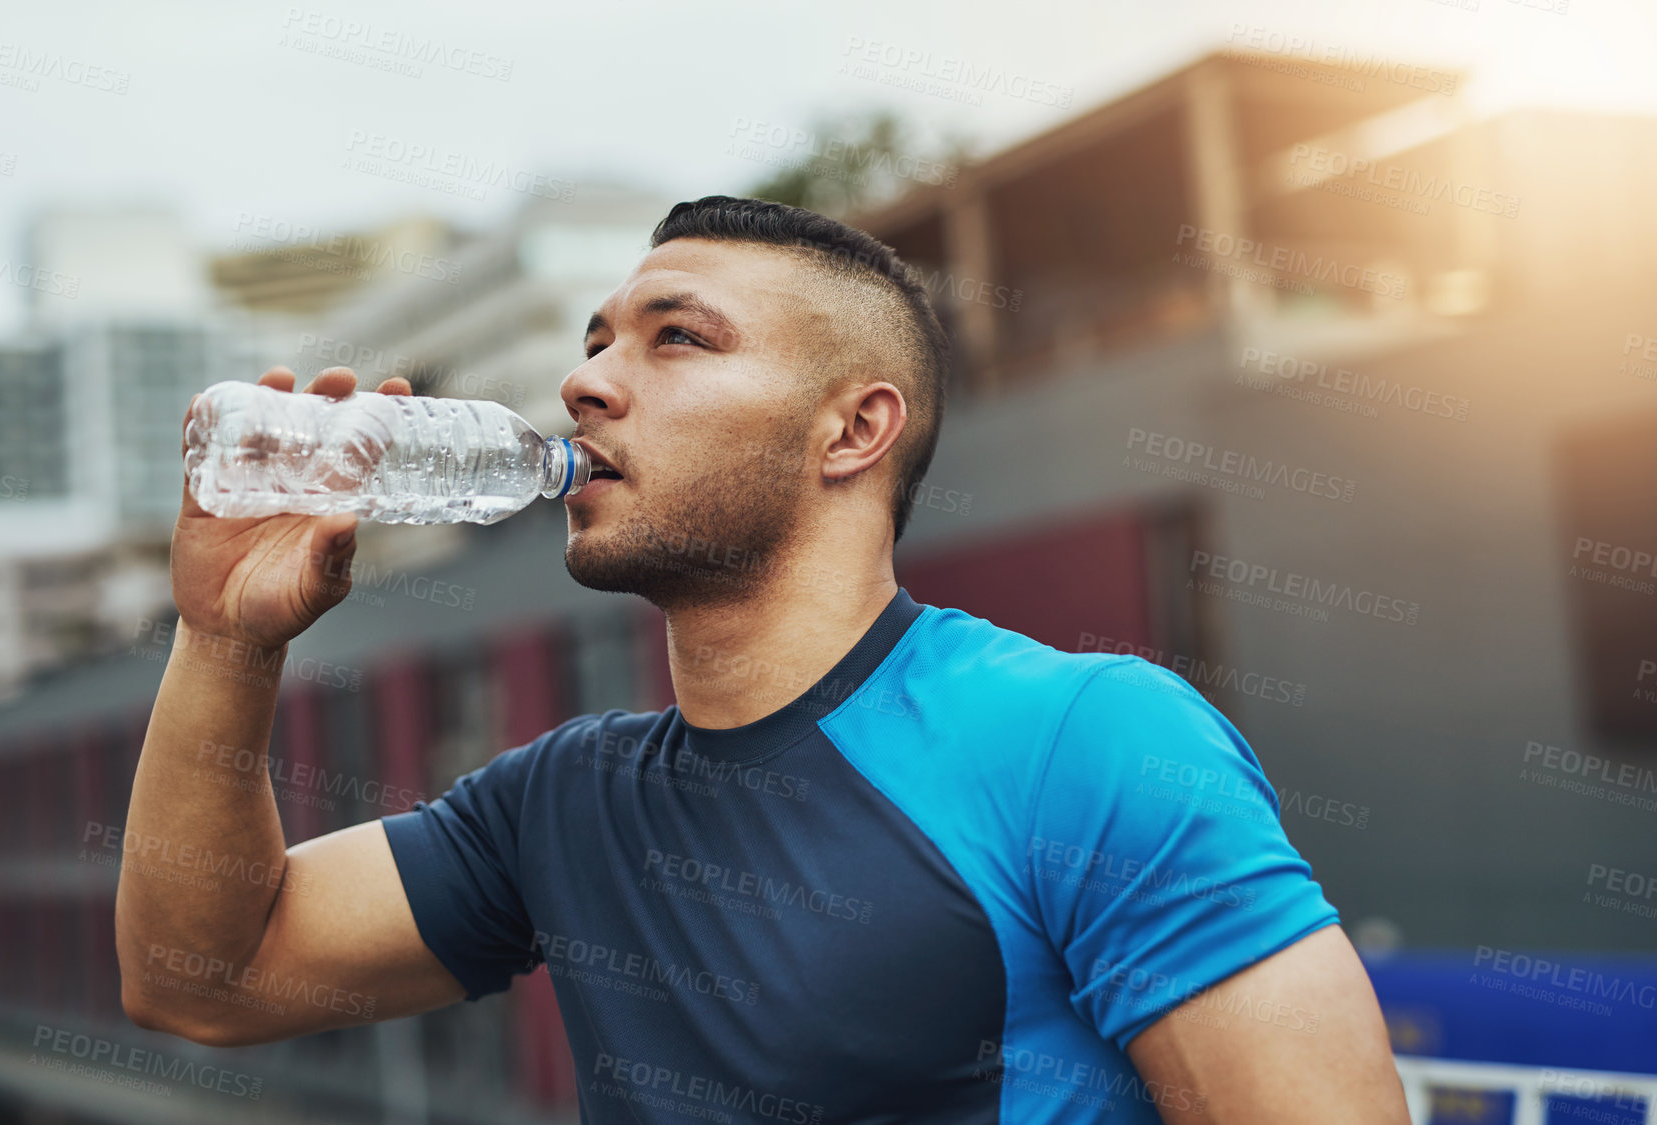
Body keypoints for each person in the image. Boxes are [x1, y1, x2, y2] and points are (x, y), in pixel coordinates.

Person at [118, 195, 1410, 1123]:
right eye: (593, 341)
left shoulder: (1089, 739)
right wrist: (227, 639)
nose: (587, 384)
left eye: (675, 337)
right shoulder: (560, 801)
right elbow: (202, 978)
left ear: (854, 427)